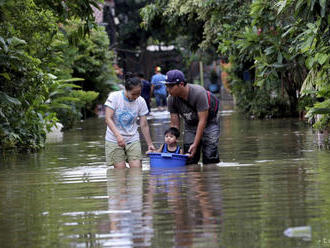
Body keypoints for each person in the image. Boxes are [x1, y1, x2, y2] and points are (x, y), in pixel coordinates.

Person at [164, 69, 220, 165]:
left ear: (181, 84)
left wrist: (195, 144)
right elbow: (174, 124)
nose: (168, 90)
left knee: (210, 156)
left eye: (171, 86)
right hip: (190, 124)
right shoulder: (171, 99)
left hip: (209, 122)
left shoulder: (198, 93)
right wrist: (171, 143)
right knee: (188, 156)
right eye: (167, 86)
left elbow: (203, 121)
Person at [104, 74, 156, 168]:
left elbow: (144, 124)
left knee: (137, 170)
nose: (136, 97)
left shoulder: (141, 101)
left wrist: (150, 144)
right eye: (133, 94)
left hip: (132, 138)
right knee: (120, 172)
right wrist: (118, 136)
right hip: (113, 139)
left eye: (138, 93)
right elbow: (108, 118)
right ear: (126, 90)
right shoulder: (114, 97)